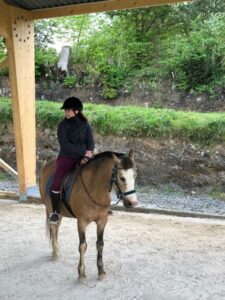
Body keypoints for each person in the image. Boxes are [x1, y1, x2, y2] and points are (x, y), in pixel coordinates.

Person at [50, 96, 95, 224]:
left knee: (98, 174)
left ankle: (100, 206)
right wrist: (84, 152)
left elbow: (90, 142)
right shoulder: (62, 125)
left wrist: (88, 154)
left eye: (68, 110)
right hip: (66, 158)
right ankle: (55, 212)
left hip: (85, 157)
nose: (66, 112)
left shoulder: (85, 124)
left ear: (76, 111)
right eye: (65, 110)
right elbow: (65, 146)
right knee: (56, 183)